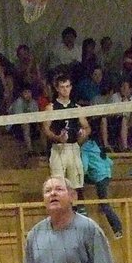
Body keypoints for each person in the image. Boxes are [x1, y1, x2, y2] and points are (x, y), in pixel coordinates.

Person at [43, 73, 90, 212]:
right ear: (57, 89)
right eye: (62, 87)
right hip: (58, 148)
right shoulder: (51, 107)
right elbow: (45, 129)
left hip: (73, 148)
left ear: (71, 87)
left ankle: (79, 212)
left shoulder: (76, 108)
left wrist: (83, 134)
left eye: (67, 86)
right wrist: (57, 137)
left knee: (76, 184)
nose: (65, 90)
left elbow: (87, 127)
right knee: (58, 184)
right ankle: (60, 212)